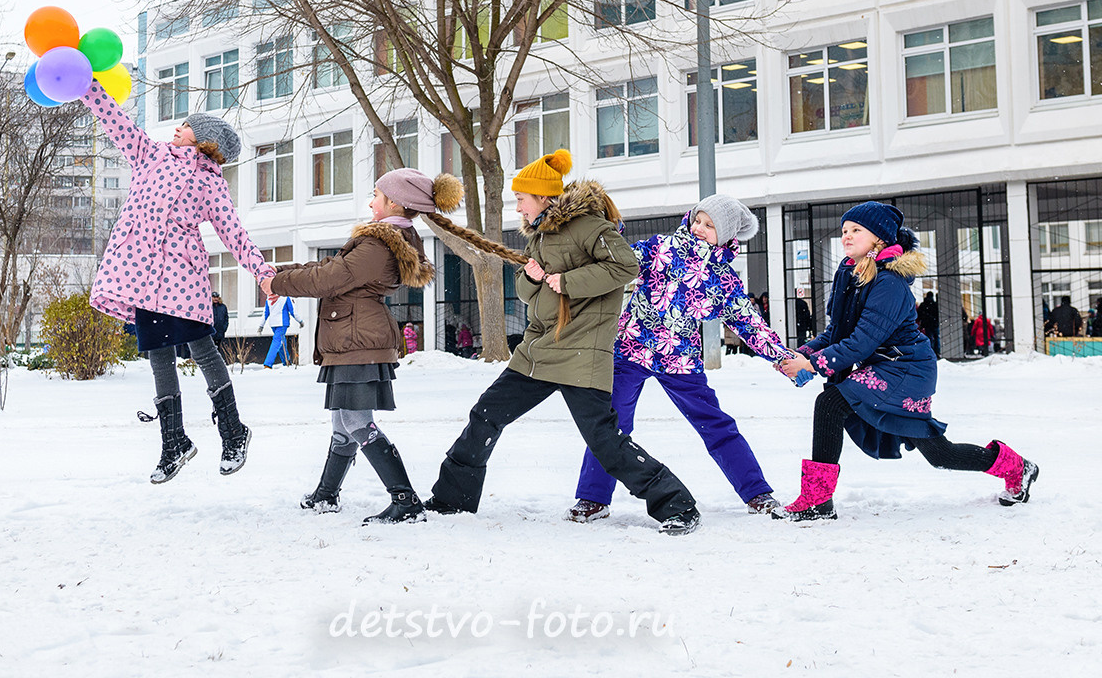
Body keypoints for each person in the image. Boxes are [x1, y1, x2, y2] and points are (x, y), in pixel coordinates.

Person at [421, 149, 702, 535]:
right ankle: (451, 501)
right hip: (538, 352)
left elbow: (625, 267)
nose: (517, 205)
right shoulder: (539, 235)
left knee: (604, 440)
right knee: (486, 415)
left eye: (522, 197)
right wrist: (534, 278)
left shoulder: (590, 227)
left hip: (580, 352)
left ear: (543, 197)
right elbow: (526, 293)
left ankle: (676, 504)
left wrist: (567, 281)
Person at [776, 202, 1038, 521]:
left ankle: (818, 500)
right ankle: (1018, 467)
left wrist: (814, 365)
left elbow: (862, 341)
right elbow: (837, 332)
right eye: (845, 230)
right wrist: (802, 353)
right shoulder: (849, 272)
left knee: (830, 403)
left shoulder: (890, 282)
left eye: (856, 230)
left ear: (880, 239)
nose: (847, 236)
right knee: (941, 454)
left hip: (906, 368)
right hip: (885, 367)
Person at [81, 81, 272, 483]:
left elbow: (233, 232)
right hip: (143, 279)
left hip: (182, 278)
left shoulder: (211, 182)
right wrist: (87, 86)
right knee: (157, 357)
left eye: (185, 126)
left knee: (203, 351)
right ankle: (174, 443)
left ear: (202, 140)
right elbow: (115, 121)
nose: (177, 129)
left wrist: (263, 273)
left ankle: (234, 431)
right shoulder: (150, 156)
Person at [565, 195, 796, 525]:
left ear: (726, 235)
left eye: (710, 225)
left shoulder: (723, 280)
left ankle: (756, 492)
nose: (700, 228)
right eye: (698, 220)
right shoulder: (662, 248)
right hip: (631, 349)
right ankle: (593, 498)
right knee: (610, 423)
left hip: (681, 360)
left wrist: (782, 356)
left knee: (716, 425)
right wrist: (602, 232)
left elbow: (750, 323)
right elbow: (621, 261)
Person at [264, 168, 463, 524]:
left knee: (356, 420)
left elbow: (331, 278)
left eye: (376, 195)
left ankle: (405, 501)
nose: (371, 201)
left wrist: (279, 281)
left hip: (358, 338)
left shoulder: (378, 243)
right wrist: (282, 271)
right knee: (344, 421)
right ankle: (326, 495)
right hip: (354, 336)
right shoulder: (385, 240)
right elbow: (332, 267)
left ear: (395, 203)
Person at [257, 293, 303, 368]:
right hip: (282, 323)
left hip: (273, 324)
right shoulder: (285, 298)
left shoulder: (269, 298)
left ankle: (286, 361)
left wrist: (261, 326)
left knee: (282, 342)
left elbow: (265, 314)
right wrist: (300, 321)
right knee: (277, 342)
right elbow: (292, 311)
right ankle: (268, 364)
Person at [917, 291, 939, 356]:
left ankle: (930, 351)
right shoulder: (935, 305)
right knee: (937, 337)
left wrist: (922, 322)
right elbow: (938, 314)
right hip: (935, 324)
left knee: (929, 338)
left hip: (927, 324)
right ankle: (937, 351)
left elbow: (919, 314)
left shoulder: (923, 305)